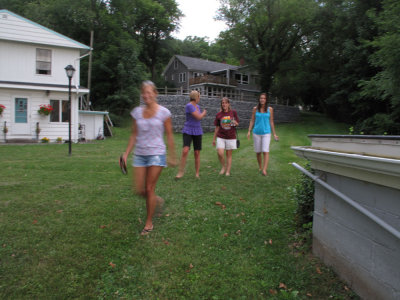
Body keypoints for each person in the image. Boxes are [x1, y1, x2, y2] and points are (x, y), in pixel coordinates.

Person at [122, 81, 177, 235]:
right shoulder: (137, 112)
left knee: (149, 188)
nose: (146, 95)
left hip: (157, 154)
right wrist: (126, 153)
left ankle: (149, 223)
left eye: (149, 92)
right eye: (143, 93)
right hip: (140, 154)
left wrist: (172, 155)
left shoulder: (164, 112)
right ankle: (157, 200)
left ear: (155, 94)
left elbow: (170, 135)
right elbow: (134, 134)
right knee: (139, 190)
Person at [175, 90, 207, 179]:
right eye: (199, 97)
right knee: (185, 150)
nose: (199, 99)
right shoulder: (189, 106)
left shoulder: (198, 106)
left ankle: (197, 173)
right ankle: (180, 172)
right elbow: (198, 117)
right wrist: (204, 113)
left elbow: (198, 118)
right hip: (188, 130)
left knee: (197, 152)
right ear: (196, 97)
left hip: (197, 130)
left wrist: (201, 113)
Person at [247, 93, 279, 176]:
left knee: (265, 151)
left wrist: (274, 134)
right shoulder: (255, 109)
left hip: (266, 133)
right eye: (261, 98)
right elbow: (252, 120)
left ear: (266, 100)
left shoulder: (270, 109)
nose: (262, 100)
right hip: (256, 133)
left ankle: (264, 170)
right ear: (259, 99)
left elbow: (271, 122)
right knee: (258, 152)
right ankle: (260, 167)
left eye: (264, 98)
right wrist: (249, 131)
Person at [212, 97, 239, 176]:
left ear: (228, 104)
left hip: (231, 136)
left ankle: (228, 171)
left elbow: (237, 124)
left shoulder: (233, 112)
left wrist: (233, 121)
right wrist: (214, 139)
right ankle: (223, 167)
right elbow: (217, 127)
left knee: (228, 155)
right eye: (222, 103)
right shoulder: (219, 115)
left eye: (225, 103)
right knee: (220, 153)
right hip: (221, 136)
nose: (224, 104)